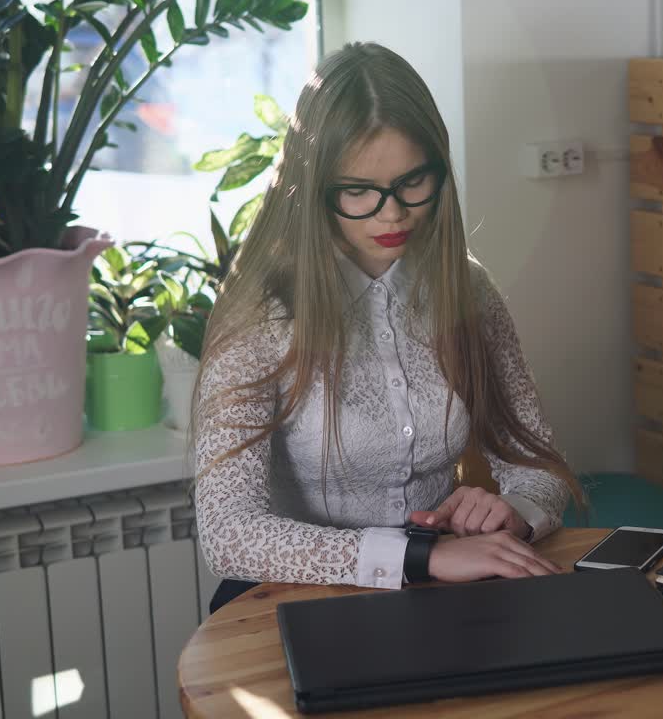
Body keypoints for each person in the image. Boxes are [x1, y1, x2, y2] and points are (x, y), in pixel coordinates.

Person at [190, 42, 583, 613]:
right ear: (313, 190)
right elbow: (230, 534)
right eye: (358, 192)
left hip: (436, 589)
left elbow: (538, 462)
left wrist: (513, 511)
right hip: (284, 603)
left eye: (412, 184)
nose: (392, 214)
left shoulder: (467, 291)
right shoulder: (262, 316)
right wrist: (418, 558)